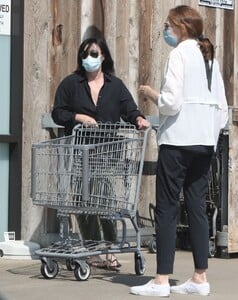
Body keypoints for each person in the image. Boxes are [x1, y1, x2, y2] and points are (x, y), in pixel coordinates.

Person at [130, 5, 228, 297]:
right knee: (197, 207)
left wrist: (150, 94)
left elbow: (171, 103)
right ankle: (200, 277)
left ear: (180, 28)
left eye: (168, 25)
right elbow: (222, 109)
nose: (166, 31)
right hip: (204, 143)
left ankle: (161, 280)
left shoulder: (178, 54)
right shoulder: (209, 57)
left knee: (168, 207)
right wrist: (207, 131)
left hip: (178, 142)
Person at [51, 37, 150, 269]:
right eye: (85, 54)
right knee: (82, 199)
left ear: (103, 56)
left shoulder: (115, 85)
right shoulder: (71, 84)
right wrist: (79, 117)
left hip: (107, 151)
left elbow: (129, 108)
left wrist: (138, 119)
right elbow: (58, 112)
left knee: (103, 199)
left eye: (94, 54)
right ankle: (93, 249)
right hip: (80, 151)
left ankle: (108, 248)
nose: (89, 59)